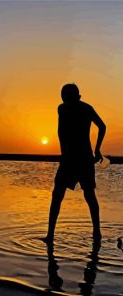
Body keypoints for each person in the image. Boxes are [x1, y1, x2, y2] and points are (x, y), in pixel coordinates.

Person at [43, 83, 106, 243]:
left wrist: (97, 150)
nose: (63, 99)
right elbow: (102, 126)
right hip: (73, 159)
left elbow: (102, 126)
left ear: (73, 96)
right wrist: (96, 150)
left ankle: (96, 233)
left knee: (88, 195)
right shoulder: (70, 108)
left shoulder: (67, 109)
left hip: (79, 159)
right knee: (58, 195)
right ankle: (50, 235)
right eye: (62, 96)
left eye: (65, 96)